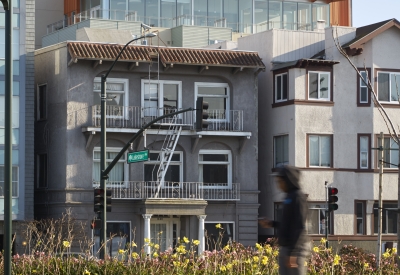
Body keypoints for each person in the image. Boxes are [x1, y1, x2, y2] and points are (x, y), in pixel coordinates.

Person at [259, 165, 309, 275]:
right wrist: (271, 223)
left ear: (288, 180)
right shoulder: (288, 197)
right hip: (286, 247)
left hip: (296, 248)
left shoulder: (298, 197)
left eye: (280, 181)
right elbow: (288, 224)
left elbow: (299, 226)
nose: (278, 185)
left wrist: (293, 253)